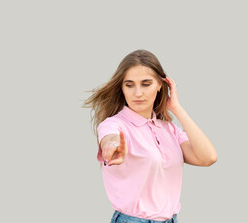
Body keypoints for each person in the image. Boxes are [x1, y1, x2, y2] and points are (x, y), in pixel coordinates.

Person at [83, 49, 217, 223]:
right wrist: (111, 147)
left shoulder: (170, 130)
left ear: (161, 85)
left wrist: (177, 108)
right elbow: (110, 138)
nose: (137, 93)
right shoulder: (114, 124)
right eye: (129, 85)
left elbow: (208, 157)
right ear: (122, 88)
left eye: (146, 84)